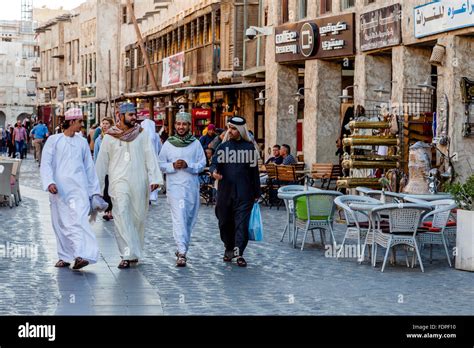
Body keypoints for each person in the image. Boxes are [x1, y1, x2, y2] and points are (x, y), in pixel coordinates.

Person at [95, 103, 163, 269]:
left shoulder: (142, 134)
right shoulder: (109, 136)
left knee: (137, 218)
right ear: (120, 115)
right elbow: (101, 163)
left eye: (135, 114)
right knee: (121, 213)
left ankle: (135, 251)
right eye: (131, 115)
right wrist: (96, 188)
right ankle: (126, 254)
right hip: (118, 181)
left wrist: (155, 177)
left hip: (139, 181)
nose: (134, 118)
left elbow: (150, 155)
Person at [40, 108, 101, 270]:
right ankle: (65, 256)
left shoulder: (82, 142)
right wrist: (49, 182)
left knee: (78, 221)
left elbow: (89, 167)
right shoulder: (54, 140)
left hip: (79, 190)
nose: (82, 125)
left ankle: (81, 255)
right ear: (72, 122)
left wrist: (94, 191)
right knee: (61, 223)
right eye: (80, 121)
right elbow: (45, 163)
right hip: (59, 191)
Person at [210, 116, 261, 267]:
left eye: (233, 128)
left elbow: (254, 173)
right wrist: (214, 173)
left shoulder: (249, 148)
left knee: (241, 224)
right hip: (225, 193)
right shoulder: (223, 147)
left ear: (240, 130)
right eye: (229, 128)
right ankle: (229, 248)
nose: (230, 131)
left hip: (245, 193)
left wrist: (257, 193)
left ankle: (239, 253)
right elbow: (213, 165)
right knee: (224, 222)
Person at [158, 111, 206, 267]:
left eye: (184, 124)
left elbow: (202, 164)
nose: (181, 127)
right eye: (178, 124)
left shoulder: (196, 143)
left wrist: (188, 165)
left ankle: (182, 246)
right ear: (175, 125)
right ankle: (182, 252)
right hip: (175, 188)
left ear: (188, 126)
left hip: (191, 187)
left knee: (188, 219)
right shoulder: (168, 144)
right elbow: (160, 164)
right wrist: (172, 166)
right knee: (179, 217)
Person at [94, 117, 114, 221]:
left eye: (107, 123)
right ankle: (108, 211)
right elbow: (96, 155)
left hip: (114, 169)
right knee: (106, 190)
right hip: (104, 169)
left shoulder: (115, 138)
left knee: (113, 189)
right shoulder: (99, 140)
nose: (105, 125)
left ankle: (113, 210)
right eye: (103, 123)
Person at [140, 112, 162, 203]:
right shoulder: (156, 136)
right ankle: (149, 196)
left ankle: (146, 196)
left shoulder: (140, 135)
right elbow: (160, 148)